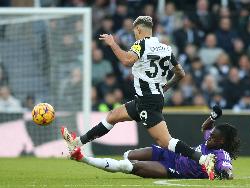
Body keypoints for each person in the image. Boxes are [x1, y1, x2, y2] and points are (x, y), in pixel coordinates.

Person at [61, 16, 220, 178]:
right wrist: (164, 87)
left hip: (147, 101)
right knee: (113, 116)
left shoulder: (141, 44)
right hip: (148, 98)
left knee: (165, 141)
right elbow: (180, 73)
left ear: (138, 29)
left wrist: (112, 43)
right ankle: (77, 143)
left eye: (134, 31)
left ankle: (203, 159)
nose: (134, 35)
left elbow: (126, 60)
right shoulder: (165, 48)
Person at [69, 108, 240, 180]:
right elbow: (205, 127)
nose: (208, 138)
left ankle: (83, 158)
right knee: (128, 155)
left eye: (212, 137)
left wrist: (225, 174)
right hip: (171, 155)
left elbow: (227, 169)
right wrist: (213, 117)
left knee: (127, 166)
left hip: (175, 171)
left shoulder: (221, 154)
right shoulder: (212, 140)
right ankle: (123, 163)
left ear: (221, 141)